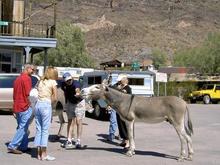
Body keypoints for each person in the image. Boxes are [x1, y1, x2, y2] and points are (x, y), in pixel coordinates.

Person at [7, 64, 35, 154]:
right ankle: (12, 145)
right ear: (28, 69)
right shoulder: (27, 78)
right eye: (33, 69)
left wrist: (13, 108)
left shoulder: (17, 79)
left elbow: (15, 95)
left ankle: (23, 146)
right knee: (23, 128)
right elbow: (28, 94)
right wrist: (31, 105)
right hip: (24, 107)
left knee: (23, 127)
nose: (34, 71)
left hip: (18, 106)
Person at [34, 66, 58, 161]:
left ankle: (38, 154)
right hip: (45, 105)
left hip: (37, 105)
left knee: (39, 129)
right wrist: (49, 103)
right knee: (45, 130)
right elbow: (55, 98)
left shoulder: (40, 81)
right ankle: (44, 154)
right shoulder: (53, 82)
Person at [61, 72, 84, 149]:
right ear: (64, 81)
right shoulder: (63, 84)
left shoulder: (76, 84)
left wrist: (78, 93)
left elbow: (77, 89)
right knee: (70, 121)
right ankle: (69, 140)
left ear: (72, 78)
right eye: (67, 80)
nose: (69, 81)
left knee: (78, 121)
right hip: (70, 103)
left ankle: (78, 140)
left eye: (70, 79)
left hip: (79, 103)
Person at [115, 74, 132, 148]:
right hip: (119, 108)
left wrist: (118, 90)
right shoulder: (120, 87)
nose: (119, 82)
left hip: (125, 109)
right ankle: (124, 140)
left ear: (124, 79)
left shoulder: (127, 88)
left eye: (120, 80)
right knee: (120, 124)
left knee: (125, 125)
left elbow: (124, 96)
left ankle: (128, 141)